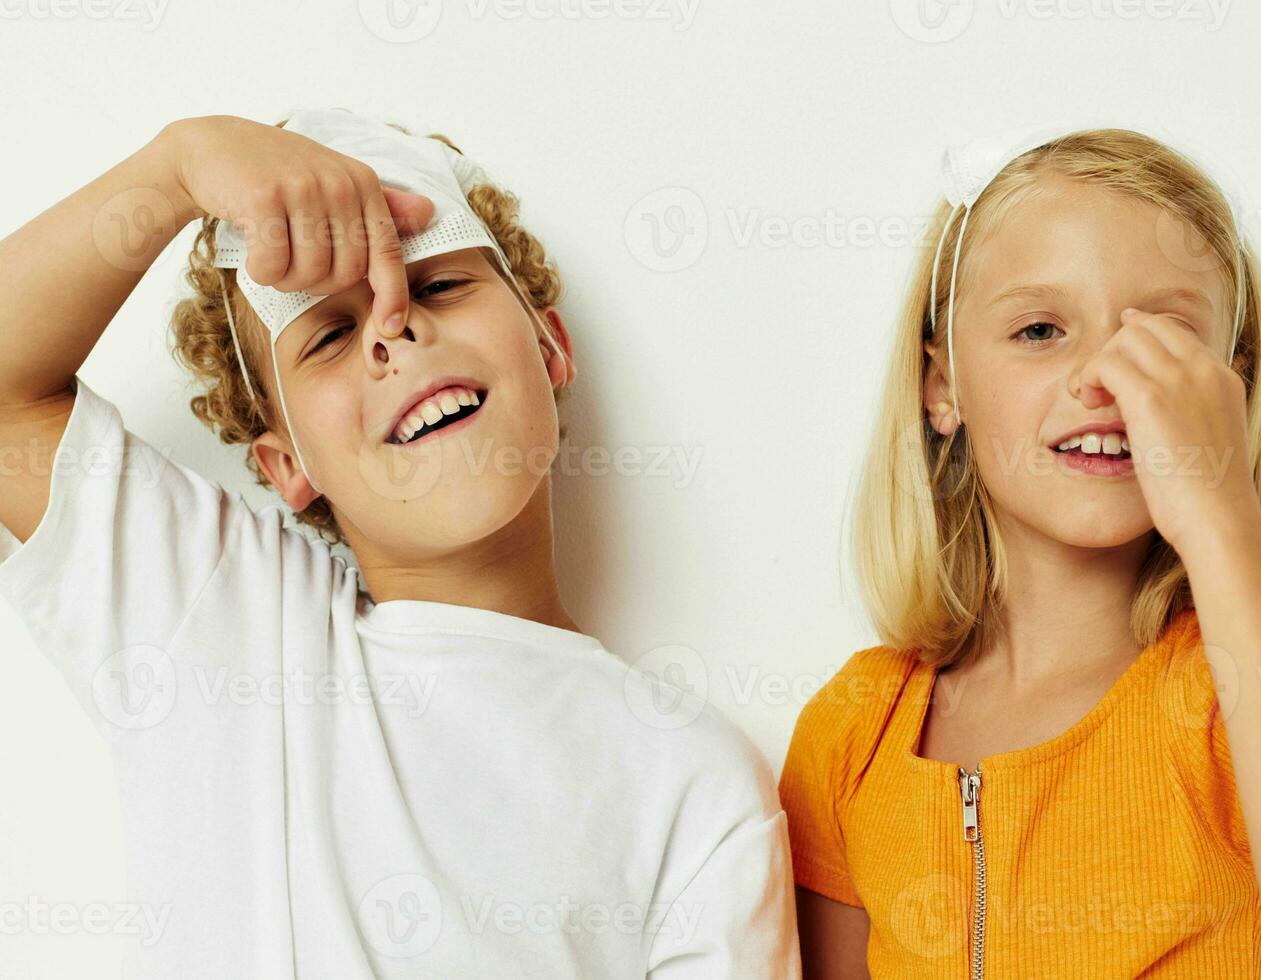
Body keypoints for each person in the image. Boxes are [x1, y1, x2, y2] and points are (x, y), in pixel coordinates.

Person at [0, 108, 799, 978]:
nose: (393, 328)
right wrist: (180, 162)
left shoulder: (693, 781)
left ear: (549, 344)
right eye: (332, 334)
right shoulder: (227, 626)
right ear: (287, 466)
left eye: (440, 286)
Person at [778, 126, 1261, 978]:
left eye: (1162, 337)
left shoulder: (1253, 671)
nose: (1104, 378)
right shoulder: (855, 730)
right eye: (1041, 329)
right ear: (943, 387)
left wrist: (1220, 510)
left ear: (1226, 391)